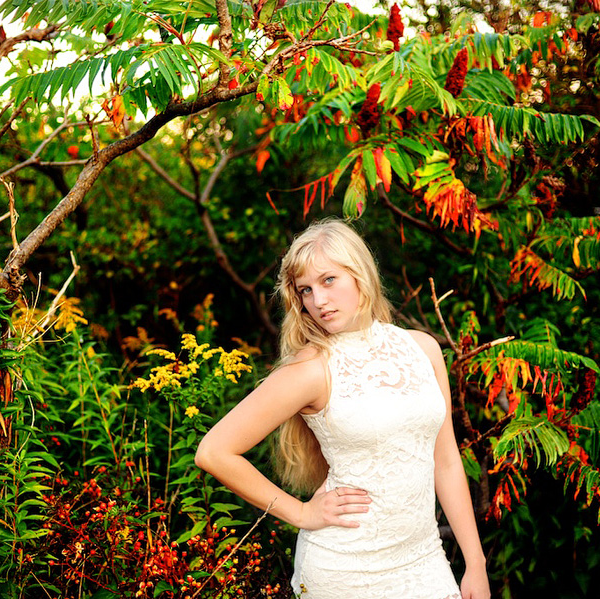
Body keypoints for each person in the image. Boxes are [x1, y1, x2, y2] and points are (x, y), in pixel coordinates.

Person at [195, 219, 490, 598]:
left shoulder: (424, 349)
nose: (318, 301)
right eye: (305, 290)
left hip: (425, 560)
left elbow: (446, 461)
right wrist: (301, 513)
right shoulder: (312, 369)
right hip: (344, 570)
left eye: (328, 280)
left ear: (360, 275)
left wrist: (475, 563)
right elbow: (214, 451)